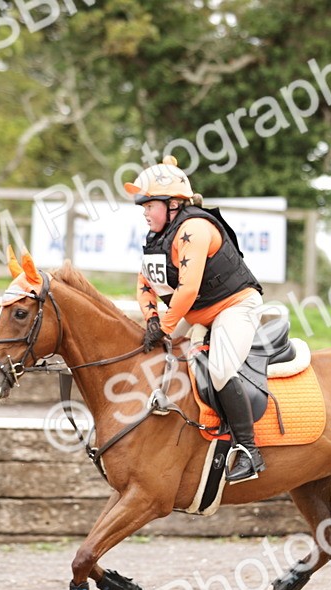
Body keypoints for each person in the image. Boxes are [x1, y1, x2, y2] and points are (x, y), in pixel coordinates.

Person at [124, 155, 267, 483]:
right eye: (143, 206)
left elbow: (186, 291)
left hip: (235, 307)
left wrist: (165, 326)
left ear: (173, 204)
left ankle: (249, 450)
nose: (144, 212)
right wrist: (150, 321)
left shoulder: (195, 229)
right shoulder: (155, 239)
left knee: (219, 370)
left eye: (150, 205)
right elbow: (144, 285)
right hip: (198, 313)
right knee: (148, 351)